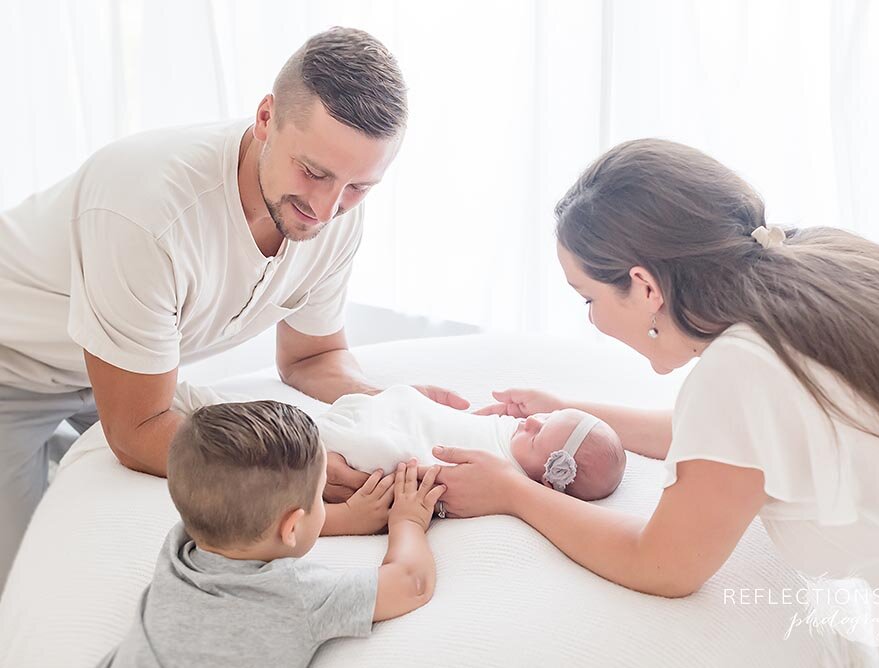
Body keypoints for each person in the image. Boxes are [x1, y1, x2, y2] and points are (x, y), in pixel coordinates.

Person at [430, 139, 879, 666]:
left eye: (588, 298)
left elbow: (663, 565)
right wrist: (570, 412)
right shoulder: (818, 265)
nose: (592, 320)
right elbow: (726, 444)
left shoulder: (742, 369)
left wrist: (514, 493)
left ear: (645, 287)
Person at [0, 26, 466, 593]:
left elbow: (312, 357)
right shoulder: (147, 209)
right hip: (13, 368)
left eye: (357, 187)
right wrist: (293, 473)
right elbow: (136, 427)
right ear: (265, 119)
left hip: (128, 371)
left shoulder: (336, 212)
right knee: (18, 582)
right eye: (313, 173)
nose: (325, 208)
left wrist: (390, 409)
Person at [97, 400, 445, 668]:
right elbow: (412, 582)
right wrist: (408, 522)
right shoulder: (296, 595)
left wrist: (348, 519)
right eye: (320, 496)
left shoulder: (179, 547)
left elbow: (251, 520)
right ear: (291, 526)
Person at [173, 382, 626, 503]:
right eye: (541, 418)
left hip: (382, 438)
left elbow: (436, 474)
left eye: (538, 435)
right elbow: (453, 421)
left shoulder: (501, 475)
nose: (527, 424)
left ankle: (211, 413)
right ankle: (210, 408)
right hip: (391, 410)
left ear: (549, 477)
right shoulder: (514, 433)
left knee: (293, 428)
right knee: (303, 419)